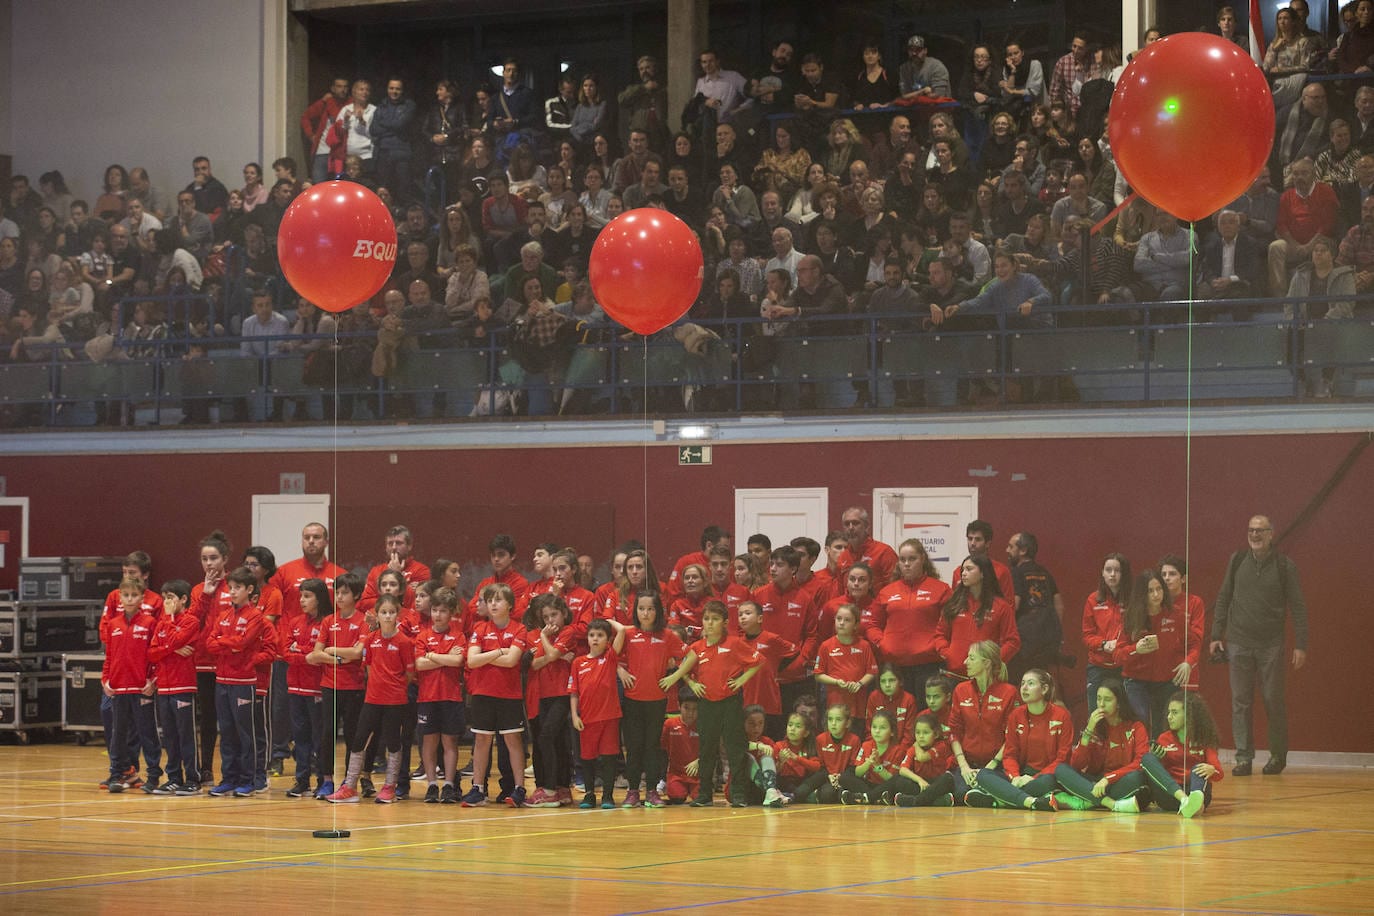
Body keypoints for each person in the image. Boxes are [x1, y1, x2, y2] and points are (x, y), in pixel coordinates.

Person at [1210, 515, 1309, 777]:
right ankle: (1243, 758)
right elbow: (1223, 597)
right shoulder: (1237, 561)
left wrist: (1301, 644)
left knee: (1272, 701)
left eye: (1260, 531)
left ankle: (1277, 756)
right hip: (1238, 644)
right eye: (1251, 530)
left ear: (1271, 534)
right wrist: (1216, 634)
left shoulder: (1284, 566)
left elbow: (1298, 607)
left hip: (1270, 647)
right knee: (1240, 702)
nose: (1254, 535)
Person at [659, 600, 763, 807]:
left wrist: (741, 680)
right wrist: (692, 683)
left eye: (715, 619)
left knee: (735, 749)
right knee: (706, 749)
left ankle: (739, 794)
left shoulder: (734, 643)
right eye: (706, 619)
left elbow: (758, 661)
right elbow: (683, 667)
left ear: (725, 622)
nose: (709, 623)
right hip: (707, 704)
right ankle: (704, 794)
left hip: (730, 703)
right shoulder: (696, 648)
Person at [323, 595, 415, 804]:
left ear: (397, 614)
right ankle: (349, 786)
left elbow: (409, 674)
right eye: (383, 612)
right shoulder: (371, 639)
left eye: (392, 612)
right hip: (372, 698)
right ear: (377, 614)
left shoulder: (404, 642)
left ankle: (389, 786)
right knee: (358, 739)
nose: (388, 616)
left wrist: (394, 687)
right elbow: (369, 667)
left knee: (392, 741)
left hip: (395, 700)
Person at [618, 592, 687, 808]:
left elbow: (689, 655)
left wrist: (674, 675)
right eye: (641, 609)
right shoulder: (628, 635)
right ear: (635, 611)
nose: (645, 613)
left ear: (657, 611)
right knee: (634, 746)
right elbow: (612, 658)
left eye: (650, 609)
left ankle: (651, 792)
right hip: (632, 700)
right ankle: (632, 791)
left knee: (652, 747)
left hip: (657, 701)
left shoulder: (667, 636)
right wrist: (621, 673)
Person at [462, 582, 528, 807]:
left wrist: (486, 656)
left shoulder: (519, 629)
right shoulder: (480, 629)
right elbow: (472, 660)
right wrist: (500, 650)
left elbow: (512, 662)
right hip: (482, 693)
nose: (492, 604)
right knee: (481, 740)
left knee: (512, 740)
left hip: (509, 695)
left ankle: (519, 788)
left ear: (509, 604)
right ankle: (478, 788)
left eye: (498, 600)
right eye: (489, 600)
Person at [205, 567, 266, 798]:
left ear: (249, 590)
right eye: (230, 588)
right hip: (222, 680)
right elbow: (210, 644)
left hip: (243, 681)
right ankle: (228, 779)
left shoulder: (256, 617)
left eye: (237, 588)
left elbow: (243, 642)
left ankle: (248, 780)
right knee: (227, 732)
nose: (231, 592)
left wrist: (225, 642)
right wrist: (227, 643)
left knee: (245, 733)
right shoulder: (223, 615)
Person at [307, 571, 368, 800]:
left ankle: (349, 782)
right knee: (327, 734)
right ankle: (326, 780)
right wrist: (340, 659)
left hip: (354, 687)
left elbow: (357, 653)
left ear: (357, 595)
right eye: (337, 592)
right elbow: (315, 654)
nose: (339, 597)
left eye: (345, 593)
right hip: (329, 686)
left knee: (353, 735)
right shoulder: (328, 621)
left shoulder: (364, 621)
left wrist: (331, 652)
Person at [970, 668, 1068, 810]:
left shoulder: (1061, 715)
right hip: (1020, 775)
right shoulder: (1016, 715)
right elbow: (1010, 754)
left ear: (1045, 689)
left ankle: (1001, 799)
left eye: (1030, 683)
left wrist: (1034, 778)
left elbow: (1062, 758)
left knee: (1047, 781)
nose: (1024, 688)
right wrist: (1015, 777)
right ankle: (1032, 802)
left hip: (1045, 776)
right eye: (1022, 684)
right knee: (983, 774)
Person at [861, 539, 949, 695]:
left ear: (922, 559)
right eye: (902, 560)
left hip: (929, 664)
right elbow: (872, 624)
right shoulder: (887, 592)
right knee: (898, 716)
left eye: (912, 559)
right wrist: (882, 643)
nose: (907, 564)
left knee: (927, 716)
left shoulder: (941, 589)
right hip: (895, 667)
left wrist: (939, 646)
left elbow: (951, 625)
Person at [101, 577, 162, 793]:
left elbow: (155, 656)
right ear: (119, 597)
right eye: (125, 595)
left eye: (134, 595)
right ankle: (119, 773)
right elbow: (109, 656)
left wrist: (152, 682)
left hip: (141, 689)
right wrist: (106, 680)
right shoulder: (113, 624)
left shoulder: (150, 623)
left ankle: (153, 775)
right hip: (119, 689)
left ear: (142, 598)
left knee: (147, 733)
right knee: (118, 734)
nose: (129, 599)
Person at [1053, 678, 1150, 812]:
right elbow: (1076, 764)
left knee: (1138, 778)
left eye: (1108, 700)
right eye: (1099, 699)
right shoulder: (1095, 727)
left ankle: (1087, 800)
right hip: (1096, 783)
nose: (1101, 704)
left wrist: (1108, 779)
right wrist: (1088, 730)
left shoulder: (1136, 727)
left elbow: (1140, 762)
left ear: (1119, 703)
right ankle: (1111, 804)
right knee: (1061, 770)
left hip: (1120, 781)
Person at [1113, 569, 1188, 737]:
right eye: (1150, 591)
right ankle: (1141, 761)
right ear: (1141, 594)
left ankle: (1160, 762)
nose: (1156, 594)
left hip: (1166, 680)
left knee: (1165, 728)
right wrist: (1135, 649)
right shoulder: (1131, 617)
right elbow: (1117, 656)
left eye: (1159, 589)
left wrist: (1188, 661)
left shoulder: (1175, 614)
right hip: (1136, 681)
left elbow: (1191, 643)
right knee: (1141, 723)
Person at [948, 640, 1020, 804]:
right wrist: (964, 766)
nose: (965, 662)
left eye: (972, 658)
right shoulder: (961, 690)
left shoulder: (1009, 692)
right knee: (961, 794)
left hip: (996, 766)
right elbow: (954, 732)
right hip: (967, 765)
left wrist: (991, 766)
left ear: (986, 663)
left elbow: (1012, 736)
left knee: (982, 789)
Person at [570, 618, 627, 809]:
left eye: (600, 635)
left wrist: (608, 620)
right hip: (587, 719)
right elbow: (574, 693)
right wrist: (575, 716)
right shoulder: (578, 663)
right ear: (587, 638)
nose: (595, 639)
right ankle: (589, 795)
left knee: (609, 757)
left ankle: (608, 796)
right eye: (592, 635)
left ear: (607, 640)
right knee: (587, 759)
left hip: (610, 717)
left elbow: (621, 631)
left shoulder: (610, 657)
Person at [1139, 692, 1223, 817]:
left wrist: (1212, 770)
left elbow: (1219, 773)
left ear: (1189, 715)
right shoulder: (1164, 738)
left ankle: (1195, 802)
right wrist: (1158, 758)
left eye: (1174, 712)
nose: (1169, 717)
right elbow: (1158, 772)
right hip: (1171, 794)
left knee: (1199, 768)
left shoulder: (1204, 739)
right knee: (1147, 758)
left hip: (1195, 789)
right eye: (1169, 712)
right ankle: (1186, 801)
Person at [281, 577, 328, 798]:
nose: (302, 600)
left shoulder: (327, 623)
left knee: (318, 737)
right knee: (300, 736)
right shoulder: (294, 622)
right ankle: (302, 780)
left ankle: (322, 779)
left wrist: (301, 651)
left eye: (307, 596)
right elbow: (286, 652)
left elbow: (320, 656)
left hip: (316, 689)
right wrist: (305, 654)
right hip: (295, 688)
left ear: (319, 598)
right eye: (301, 595)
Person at [937, 555, 1020, 677]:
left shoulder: (1001, 606)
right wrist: (946, 652)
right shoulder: (954, 603)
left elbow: (1013, 641)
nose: (963, 574)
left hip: (985, 676)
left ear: (983, 573)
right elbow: (940, 633)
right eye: (962, 570)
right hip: (954, 673)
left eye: (969, 569)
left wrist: (993, 661)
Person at [1005, 531, 1065, 683]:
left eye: (1011, 547)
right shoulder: (1045, 573)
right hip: (1047, 640)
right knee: (1039, 683)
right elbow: (1059, 605)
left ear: (1023, 550)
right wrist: (1056, 633)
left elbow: (1015, 604)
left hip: (1024, 641)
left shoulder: (1015, 573)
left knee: (1018, 683)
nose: (1007, 550)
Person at [815, 603, 878, 728]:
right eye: (839, 619)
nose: (842, 623)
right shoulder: (826, 646)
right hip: (834, 705)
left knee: (855, 740)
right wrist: (837, 682)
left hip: (857, 705)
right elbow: (818, 675)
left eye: (847, 620)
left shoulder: (864, 645)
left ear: (856, 624)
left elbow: (872, 671)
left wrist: (859, 684)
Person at [1083, 553, 1130, 703]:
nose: (1112, 574)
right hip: (1098, 666)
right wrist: (1103, 644)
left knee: (1125, 715)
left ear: (1124, 573)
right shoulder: (1093, 600)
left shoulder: (1133, 599)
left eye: (1117, 570)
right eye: (1108, 570)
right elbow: (1087, 635)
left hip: (1125, 666)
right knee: (1096, 714)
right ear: (1102, 573)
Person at [370, 78, 416, 204]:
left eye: (397, 89)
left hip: (401, 152)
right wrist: (393, 127)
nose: (394, 91)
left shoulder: (409, 105)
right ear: (387, 89)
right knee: (383, 190)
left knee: (403, 191)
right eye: (391, 88)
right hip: (383, 153)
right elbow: (373, 129)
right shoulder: (381, 105)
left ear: (402, 91)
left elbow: (400, 125)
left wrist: (384, 124)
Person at [302, 77, 350, 182]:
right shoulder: (326, 102)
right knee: (319, 185)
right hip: (322, 151)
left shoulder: (351, 103)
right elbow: (306, 117)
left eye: (345, 87)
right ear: (333, 88)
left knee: (339, 185)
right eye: (339, 86)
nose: (342, 89)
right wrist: (311, 135)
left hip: (341, 154)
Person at [661, 692, 702, 804]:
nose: (690, 713)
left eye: (695, 709)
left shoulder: (703, 725)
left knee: (699, 797)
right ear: (679, 706)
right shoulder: (669, 724)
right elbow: (662, 748)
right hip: (676, 774)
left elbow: (711, 750)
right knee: (677, 797)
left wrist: (699, 760)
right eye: (686, 708)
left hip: (698, 776)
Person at [1049, 31, 1092, 114]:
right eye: (1074, 46)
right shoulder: (1063, 62)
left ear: (1086, 49)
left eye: (1080, 48)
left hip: (1088, 110)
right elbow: (1054, 90)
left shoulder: (1092, 62)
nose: (1076, 50)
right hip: (1069, 111)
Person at [898, 35, 951, 101]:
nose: (914, 53)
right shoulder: (904, 68)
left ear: (925, 51)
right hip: (915, 109)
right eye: (911, 50)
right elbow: (904, 96)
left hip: (939, 108)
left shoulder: (937, 67)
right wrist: (923, 91)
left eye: (918, 50)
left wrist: (913, 95)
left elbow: (938, 96)